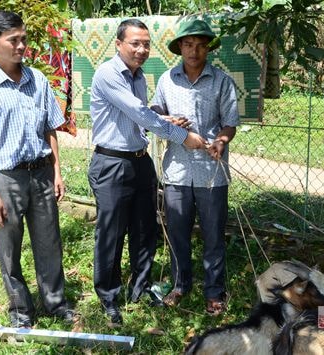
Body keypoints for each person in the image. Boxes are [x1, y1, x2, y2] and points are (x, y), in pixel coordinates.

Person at [0, 11, 75, 328]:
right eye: (14, 40)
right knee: (9, 248)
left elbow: (50, 128)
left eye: (24, 39)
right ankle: (21, 310)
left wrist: (57, 171)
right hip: (6, 178)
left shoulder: (37, 81)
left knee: (49, 242)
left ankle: (55, 303)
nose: (22, 46)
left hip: (41, 174)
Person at [88, 18, 206, 325]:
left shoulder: (138, 77)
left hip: (140, 162)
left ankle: (138, 290)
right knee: (111, 234)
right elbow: (137, 112)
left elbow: (141, 113)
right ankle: (109, 297)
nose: (142, 50)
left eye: (146, 44)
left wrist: (163, 117)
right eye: (135, 44)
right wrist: (183, 137)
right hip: (112, 163)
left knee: (145, 230)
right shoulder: (108, 74)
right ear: (119, 44)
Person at [151, 19, 240, 315]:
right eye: (188, 45)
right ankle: (179, 284)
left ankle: (214, 291)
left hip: (211, 172)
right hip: (176, 170)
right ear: (179, 48)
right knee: (177, 232)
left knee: (214, 234)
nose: (194, 50)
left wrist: (222, 140)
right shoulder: (166, 80)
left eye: (201, 45)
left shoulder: (222, 81)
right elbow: (154, 113)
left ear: (208, 49)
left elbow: (230, 121)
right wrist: (167, 121)